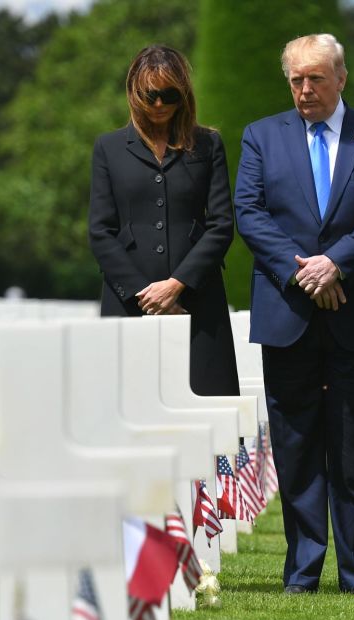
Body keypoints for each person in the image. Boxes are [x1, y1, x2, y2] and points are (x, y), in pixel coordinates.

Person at [234, 33, 354, 595]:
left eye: (315, 78)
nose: (305, 90)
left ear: (341, 78)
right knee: (297, 447)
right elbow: (250, 211)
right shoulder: (262, 136)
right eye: (296, 80)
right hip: (289, 310)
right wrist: (304, 271)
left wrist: (336, 264)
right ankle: (302, 571)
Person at [89, 45, 239, 397]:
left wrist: (176, 285)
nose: (158, 104)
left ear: (183, 94)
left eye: (168, 95)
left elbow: (221, 225)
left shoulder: (209, 145)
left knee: (208, 411)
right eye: (149, 95)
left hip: (199, 302)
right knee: (123, 406)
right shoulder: (108, 148)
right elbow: (100, 231)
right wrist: (147, 294)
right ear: (134, 94)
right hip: (128, 302)